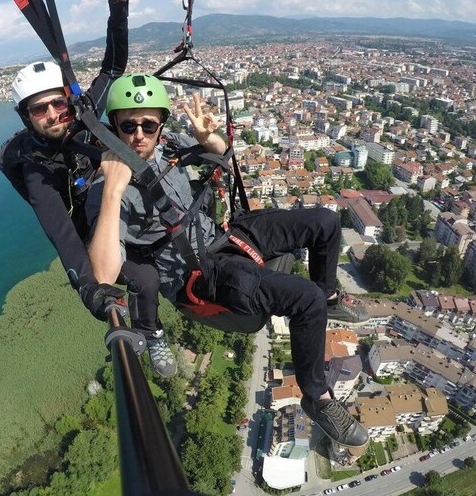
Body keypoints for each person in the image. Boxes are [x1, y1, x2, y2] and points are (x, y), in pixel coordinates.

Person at [85, 73, 370, 447]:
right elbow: (103, 273)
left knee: (325, 223)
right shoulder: (103, 190)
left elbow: (220, 154)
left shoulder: (169, 144)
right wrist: (113, 190)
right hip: (198, 273)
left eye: (148, 124)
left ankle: (330, 296)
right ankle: (317, 396)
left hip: (225, 234)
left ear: (161, 125)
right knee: (305, 298)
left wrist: (207, 139)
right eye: (128, 125)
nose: (139, 134)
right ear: (113, 128)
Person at [0, 0, 177, 377]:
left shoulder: (84, 117)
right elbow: (62, 235)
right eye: (39, 109)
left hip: (115, 206)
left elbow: (112, 69)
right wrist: (90, 289)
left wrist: (118, 13)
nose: (53, 113)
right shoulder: (36, 171)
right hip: (92, 231)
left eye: (58, 102)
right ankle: (152, 332)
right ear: (26, 117)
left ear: (67, 99)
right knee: (144, 279)